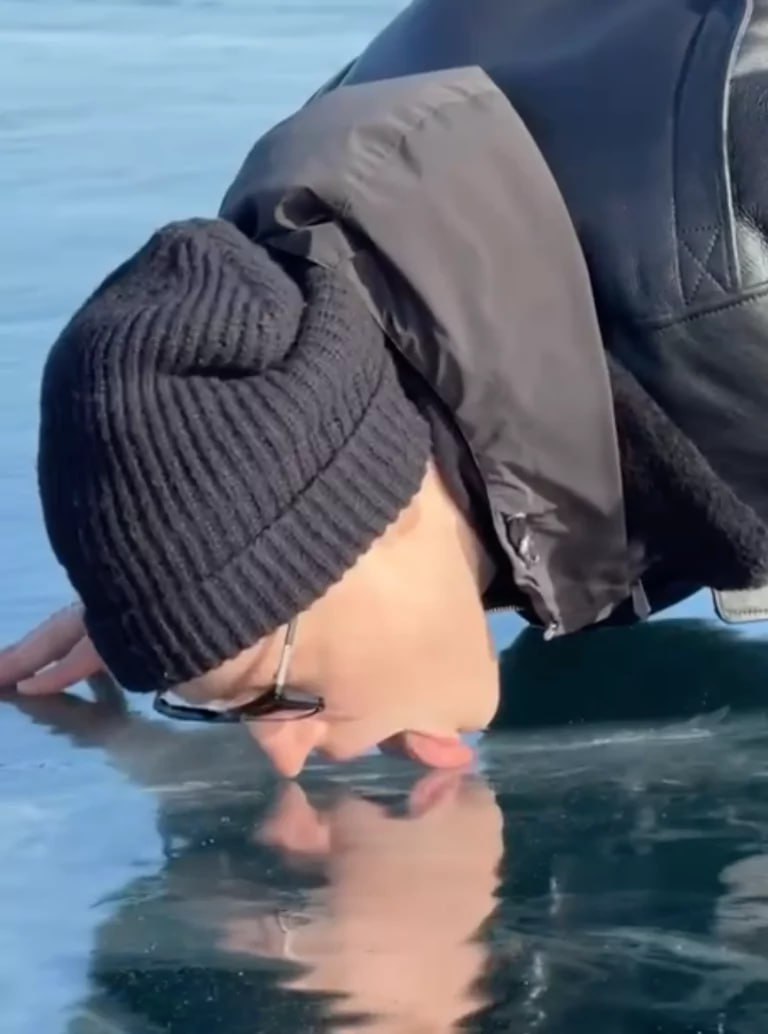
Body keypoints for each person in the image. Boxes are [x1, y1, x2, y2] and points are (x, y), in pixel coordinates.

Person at [3, 0, 768, 778]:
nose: (287, 762)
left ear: (384, 523)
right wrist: (178, 593)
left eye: (280, 694)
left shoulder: (740, 247)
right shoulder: (336, 269)